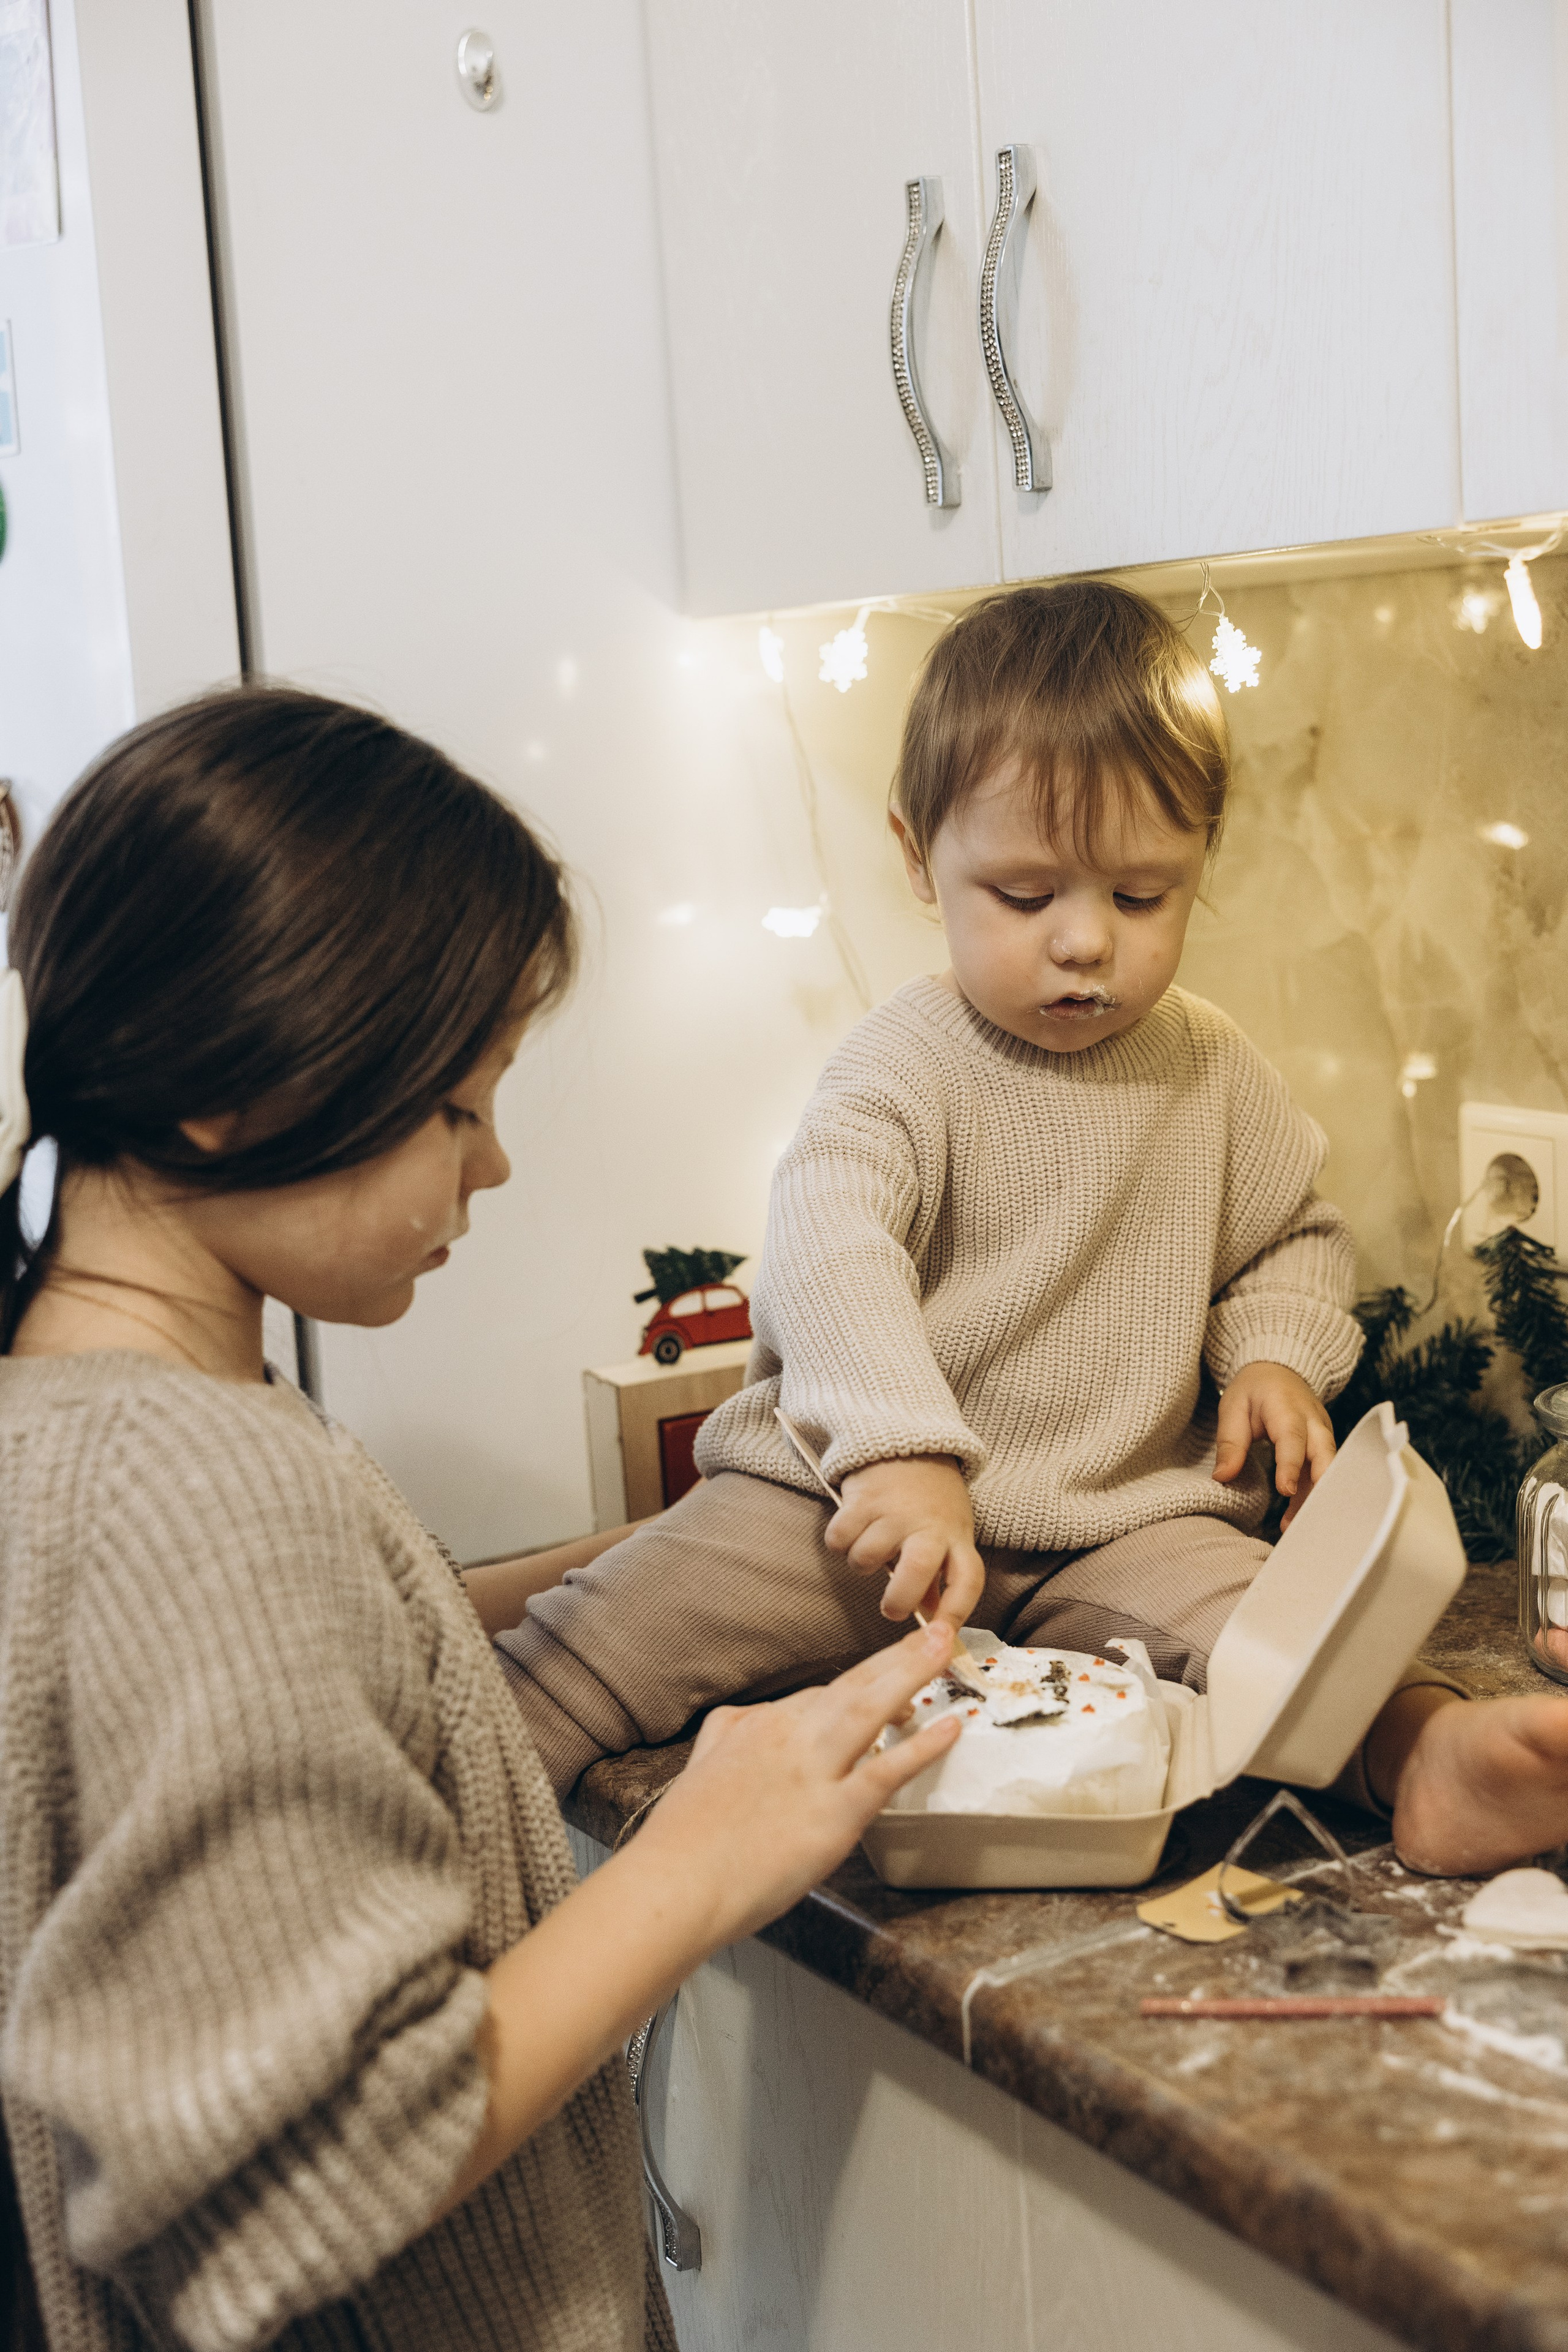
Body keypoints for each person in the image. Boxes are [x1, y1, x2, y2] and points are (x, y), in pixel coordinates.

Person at [0, 688, 964, 2352]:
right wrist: (702, 1855)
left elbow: (343, 1658)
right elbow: (319, 2163)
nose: (495, 1163)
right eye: (458, 1104)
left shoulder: (76, 1420)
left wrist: (643, 1547)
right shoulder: (215, 1494)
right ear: (222, 1094)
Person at [499, 579, 1568, 1877]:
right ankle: (466, 1786)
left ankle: (1425, 1757)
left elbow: (1289, 1235)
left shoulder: (1209, 1069)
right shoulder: (899, 1067)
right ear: (915, 856)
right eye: (1021, 895)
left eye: (1139, 896)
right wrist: (898, 1454)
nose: (1081, 944)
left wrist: (1276, 1358)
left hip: (1123, 1512)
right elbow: (828, 1252)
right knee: (640, 1613)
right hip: (856, 1509)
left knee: (1282, 1630)